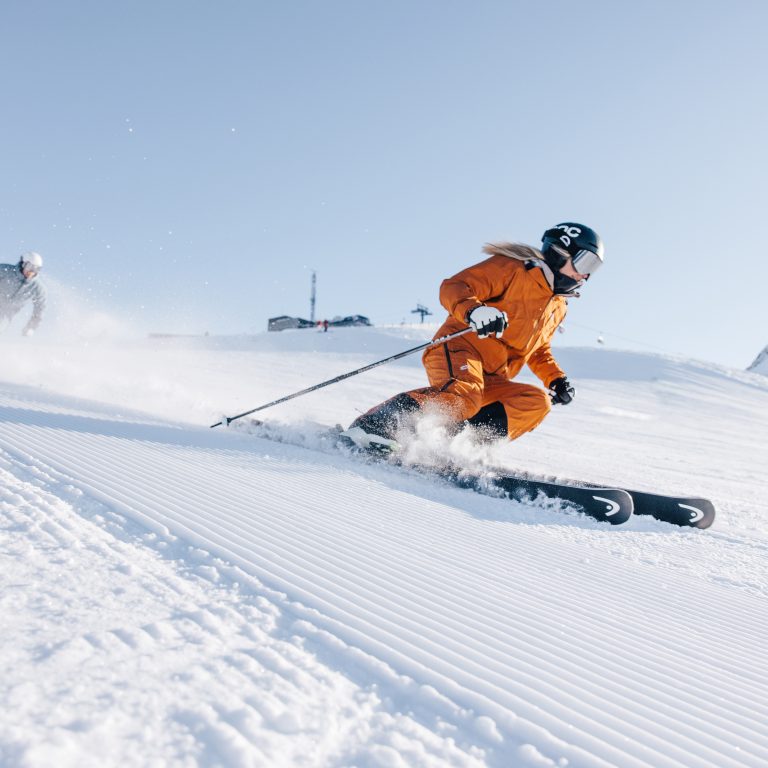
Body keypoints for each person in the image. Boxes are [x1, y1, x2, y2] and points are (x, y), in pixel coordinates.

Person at [343, 223, 604, 451]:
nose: (587, 275)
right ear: (560, 253)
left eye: (594, 268)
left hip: (493, 376)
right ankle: (374, 425)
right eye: (585, 263)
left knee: (535, 402)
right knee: (463, 397)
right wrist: (475, 311)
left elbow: (537, 349)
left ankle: (458, 447)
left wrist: (556, 379)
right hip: (459, 347)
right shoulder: (514, 270)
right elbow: (454, 287)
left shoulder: (558, 305)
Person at [0, 252, 46, 336]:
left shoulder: (36, 287)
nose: (31, 271)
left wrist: (31, 327)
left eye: (36, 269)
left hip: (5, 314)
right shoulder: (5, 271)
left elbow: (40, 309)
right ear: (23, 264)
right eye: (29, 266)